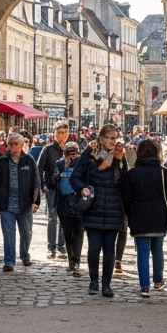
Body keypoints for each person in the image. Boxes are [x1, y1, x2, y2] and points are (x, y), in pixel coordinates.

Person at [121, 139, 167, 297]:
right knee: (157, 250)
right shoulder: (162, 172)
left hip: (139, 215)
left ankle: (144, 286)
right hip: (158, 215)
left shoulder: (132, 173)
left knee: (142, 252)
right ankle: (158, 280)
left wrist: (129, 215)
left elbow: (126, 199)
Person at [71, 123, 126, 297]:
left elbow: (125, 181)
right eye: (110, 138)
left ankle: (107, 285)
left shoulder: (119, 155)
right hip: (93, 207)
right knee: (94, 247)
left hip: (113, 208)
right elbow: (75, 177)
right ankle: (93, 281)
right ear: (101, 138)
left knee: (110, 249)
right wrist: (82, 188)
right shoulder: (90, 154)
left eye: (115, 138)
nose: (113, 141)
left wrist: (119, 160)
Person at [0, 132, 40, 271]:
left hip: (25, 204)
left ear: (22, 144)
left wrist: (35, 201)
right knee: (8, 234)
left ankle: (25, 255)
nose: (13, 146)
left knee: (26, 233)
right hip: (7, 204)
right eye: (10, 144)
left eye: (15, 143)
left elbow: (36, 181)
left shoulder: (29, 160)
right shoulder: (1, 162)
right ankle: (9, 261)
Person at [37, 122, 71, 259]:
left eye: (64, 133)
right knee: (52, 218)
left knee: (64, 218)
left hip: (66, 189)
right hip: (51, 189)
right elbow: (39, 169)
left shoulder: (70, 149)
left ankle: (62, 247)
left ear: (68, 134)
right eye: (59, 132)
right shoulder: (48, 149)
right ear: (54, 133)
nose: (61, 135)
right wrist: (43, 185)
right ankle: (51, 247)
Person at [53, 141, 85, 275]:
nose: (72, 156)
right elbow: (54, 181)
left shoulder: (82, 163)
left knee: (78, 231)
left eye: (74, 152)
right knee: (67, 231)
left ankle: (76, 261)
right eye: (69, 153)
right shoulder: (59, 163)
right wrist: (64, 167)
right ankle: (71, 260)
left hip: (78, 201)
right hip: (63, 201)